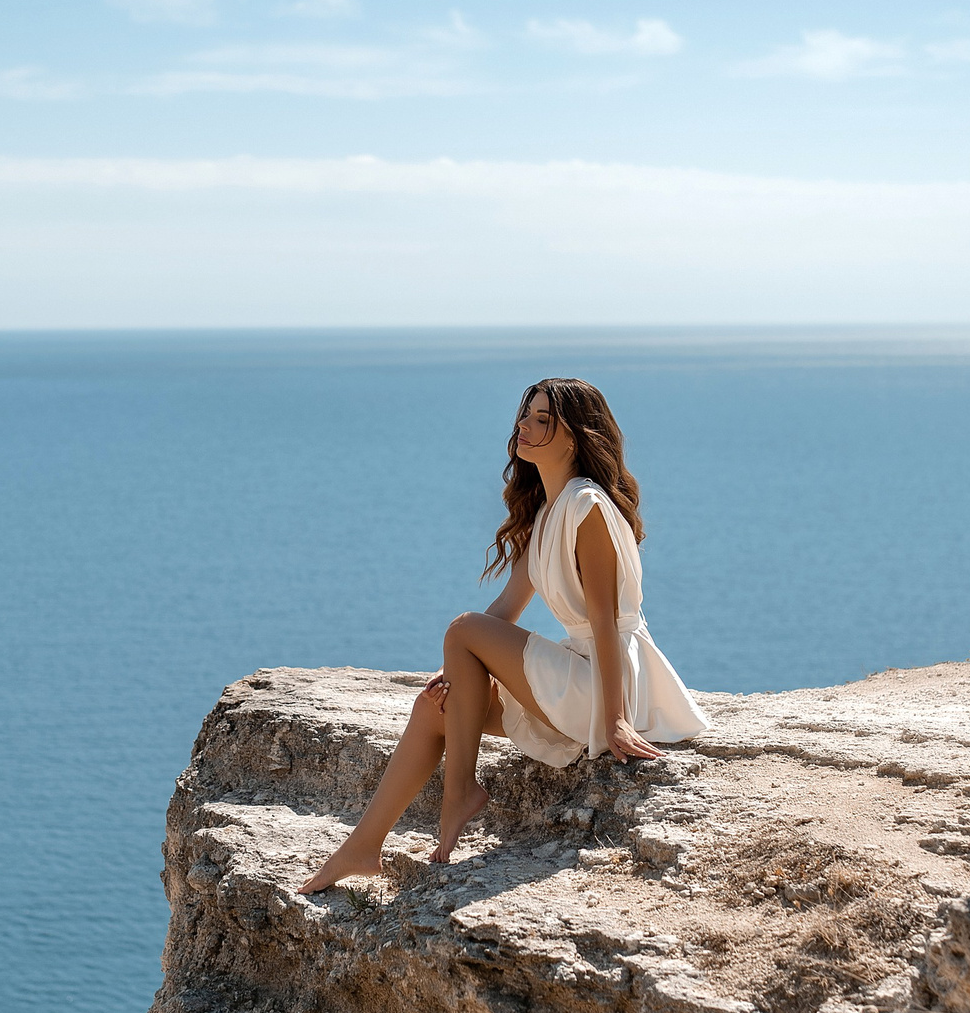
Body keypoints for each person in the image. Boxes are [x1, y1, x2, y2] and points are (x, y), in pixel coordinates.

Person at [299, 378, 709, 893]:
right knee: (435, 707)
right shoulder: (549, 514)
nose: (525, 425)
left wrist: (616, 721)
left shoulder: (589, 507)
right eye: (526, 415)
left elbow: (604, 622)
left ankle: (460, 795)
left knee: (463, 628)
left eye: (543, 420)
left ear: (574, 438)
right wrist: (456, 672)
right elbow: (507, 611)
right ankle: (363, 847)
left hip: (606, 684)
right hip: (578, 682)